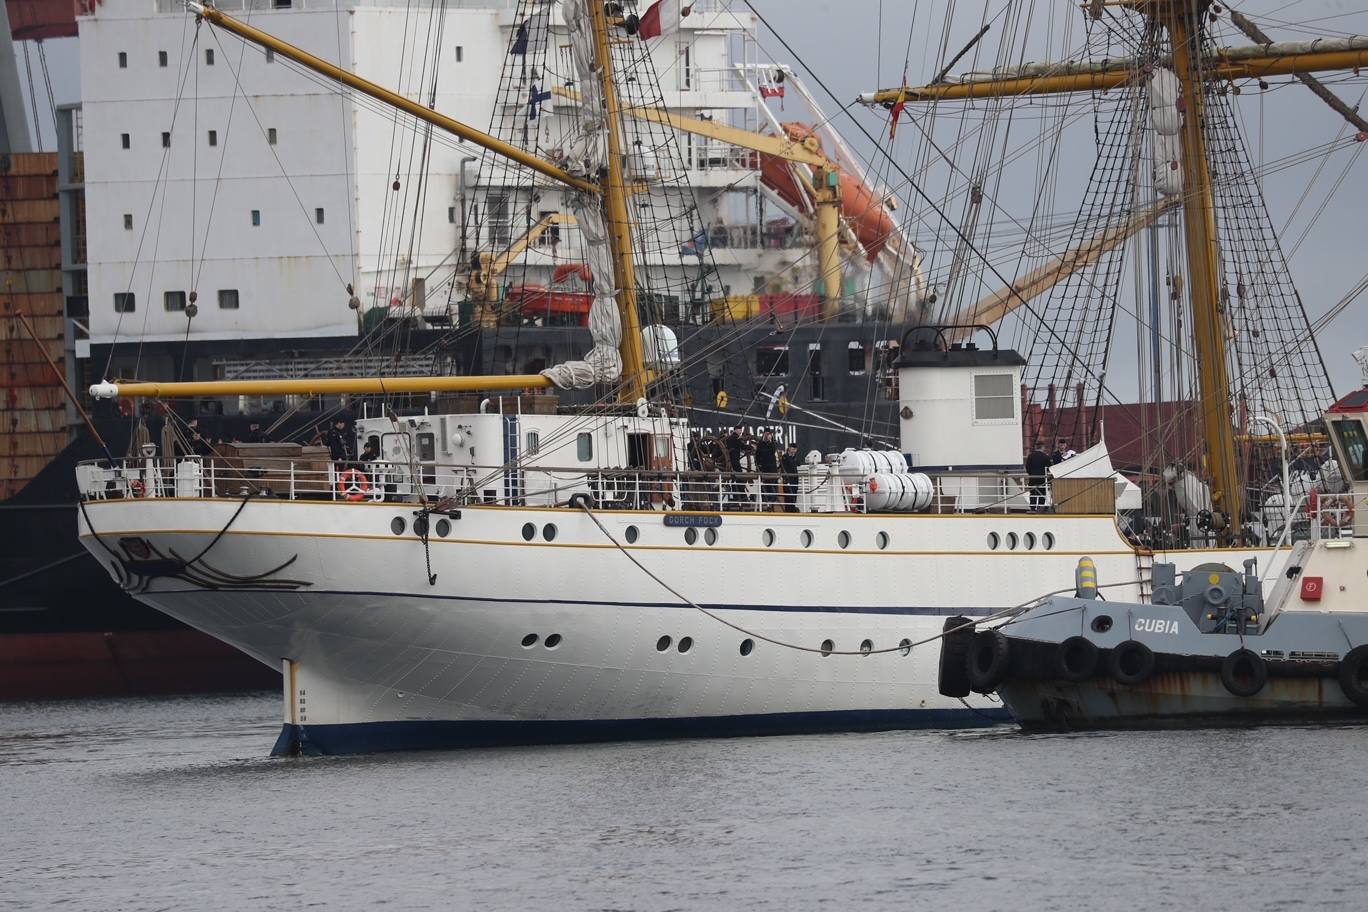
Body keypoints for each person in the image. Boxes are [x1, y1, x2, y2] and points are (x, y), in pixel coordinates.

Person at [755, 429, 779, 509]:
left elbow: (772, 450)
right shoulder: (761, 444)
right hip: (764, 468)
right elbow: (758, 455)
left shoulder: (773, 443)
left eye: (769, 434)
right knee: (765, 485)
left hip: (772, 468)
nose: (768, 435)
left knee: (773, 485)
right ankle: (766, 502)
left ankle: (772, 502)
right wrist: (758, 465)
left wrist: (770, 441)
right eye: (767, 434)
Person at [1025, 441, 1052, 512]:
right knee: (1042, 493)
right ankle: (1040, 508)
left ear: (1036, 447)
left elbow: (1027, 467)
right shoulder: (1045, 457)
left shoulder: (1030, 456)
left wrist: (1031, 474)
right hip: (1042, 478)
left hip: (1033, 478)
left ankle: (1032, 508)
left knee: (1033, 493)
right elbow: (1049, 468)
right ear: (1043, 447)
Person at [781, 442, 801, 512]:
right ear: (789, 448)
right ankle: (788, 510)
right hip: (788, 479)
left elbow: (798, 464)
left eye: (795, 449)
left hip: (795, 479)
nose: (794, 450)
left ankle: (793, 509)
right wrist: (791, 456)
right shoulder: (785, 457)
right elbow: (785, 467)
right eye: (793, 448)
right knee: (788, 496)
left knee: (794, 495)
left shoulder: (795, 457)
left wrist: (793, 456)